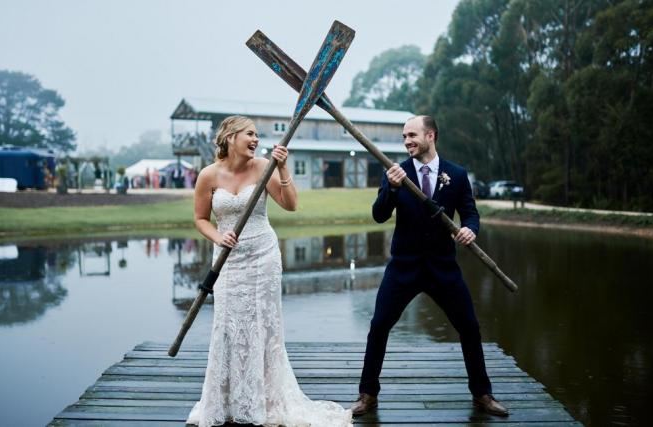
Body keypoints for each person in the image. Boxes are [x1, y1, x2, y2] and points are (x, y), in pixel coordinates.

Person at [186, 115, 352, 427]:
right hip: (227, 261)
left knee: (263, 326)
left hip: (263, 257)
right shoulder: (208, 175)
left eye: (257, 135)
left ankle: (263, 399)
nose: (256, 139)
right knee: (227, 326)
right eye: (249, 134)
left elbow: (290, 205)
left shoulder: (264, 166)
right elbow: (200, 219)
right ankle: (227, 399)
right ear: (231, 137)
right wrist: (218, 236)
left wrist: (284, 168)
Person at [349, 115, 509, 417]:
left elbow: (470, 214)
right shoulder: (396, 171)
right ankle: (368, 394)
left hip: (443, 267)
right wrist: (393, 189)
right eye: (404, 136)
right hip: (403, 267)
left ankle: (482, 395)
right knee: (378, 326)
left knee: (470, 328)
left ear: (431, 135)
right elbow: (379, 215)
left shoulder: (457, 175)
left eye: (412, 135)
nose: (407, 141)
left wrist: (470, 229)